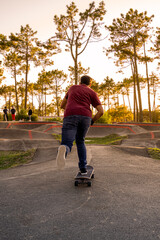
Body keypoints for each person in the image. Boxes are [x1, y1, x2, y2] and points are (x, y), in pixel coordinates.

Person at [56, 75, 104, 174]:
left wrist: (72, 110)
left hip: (70, 115)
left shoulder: (72, 88)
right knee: (80, 141)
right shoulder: (92, 92)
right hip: (85, 117)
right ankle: (83, 168)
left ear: (80, 82)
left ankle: (64, 150)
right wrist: (92, 120)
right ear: (90, 84)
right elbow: (101, 112)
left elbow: (62, 105)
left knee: (67, 143)